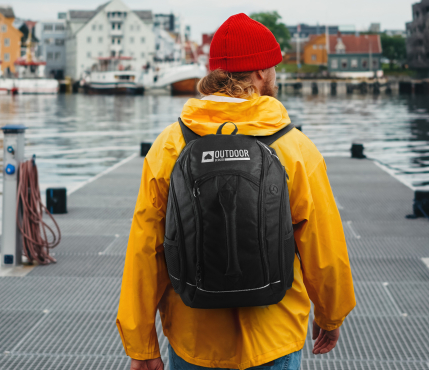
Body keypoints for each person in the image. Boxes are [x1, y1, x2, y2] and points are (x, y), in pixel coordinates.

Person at [116, 13, 356, 370]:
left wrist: (141, 345)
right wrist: (331, 314)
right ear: (260, 73)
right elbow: (323, 242)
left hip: (195, 339)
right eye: (272, 66)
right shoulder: (294, 146)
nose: (274, 75)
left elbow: (145, 249)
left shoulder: (170, 145)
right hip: (273, 338)